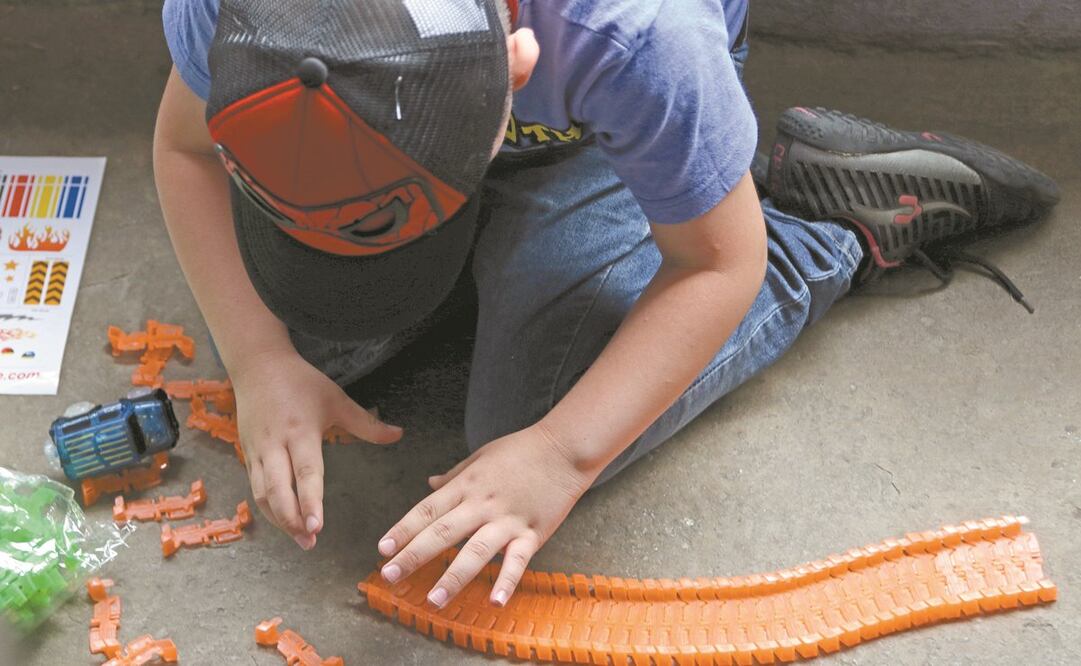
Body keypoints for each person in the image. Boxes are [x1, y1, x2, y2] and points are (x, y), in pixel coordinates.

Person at [155, 0, 1058, 611]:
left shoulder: (637, 37)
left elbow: (715, 267)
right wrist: (259, 360)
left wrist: (561, 454)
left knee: (530, 417)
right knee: (310, 345)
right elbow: (184, 147)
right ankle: (478, 263)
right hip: (465, 121)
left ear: (517, 68)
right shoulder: (242, 17)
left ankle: (826, 228)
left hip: (595, 139)